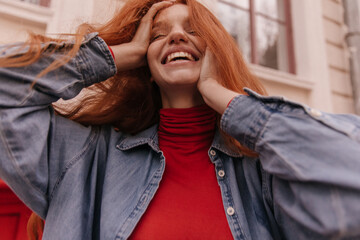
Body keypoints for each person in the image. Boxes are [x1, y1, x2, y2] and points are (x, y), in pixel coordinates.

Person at [0, 0, 360, 239]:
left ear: (215, 51)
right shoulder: (87, 159)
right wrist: (115, 54)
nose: (175, 35)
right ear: (148, 68)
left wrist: (227, 100)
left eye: (193, 29)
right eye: (157, 34)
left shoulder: (262, 172)